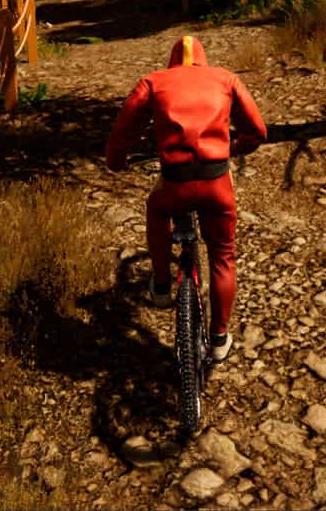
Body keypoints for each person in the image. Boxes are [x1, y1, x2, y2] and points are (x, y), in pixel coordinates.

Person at [105, 35, 267, 362]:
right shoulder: (225, 79)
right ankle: (219, 338)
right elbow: (258, 131)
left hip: (175, 182)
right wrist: (236, 147)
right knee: (223, 255)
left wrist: (117, 160)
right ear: (204, 59)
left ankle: (162, 286)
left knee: (156, 209)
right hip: (216, 182)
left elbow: (124, 130)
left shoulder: (154, 82)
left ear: (172, 60)